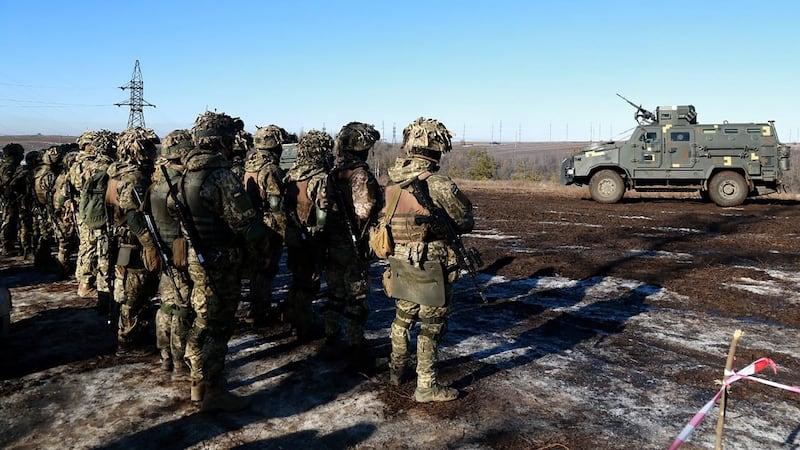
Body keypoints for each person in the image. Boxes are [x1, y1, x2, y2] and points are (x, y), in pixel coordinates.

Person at [179, 111, 274, 412]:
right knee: (219, 325)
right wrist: (265, 247)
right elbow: (246, 223)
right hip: (220, 261)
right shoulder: (219, 175)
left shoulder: (185, 172)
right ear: (221, 140)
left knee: (203, 318)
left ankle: (197, 382)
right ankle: (215, 391)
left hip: (198, 256)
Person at [381, 117, 474, 402]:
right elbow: (465, 221)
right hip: (432, 265)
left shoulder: (393, 183)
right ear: (436, 149)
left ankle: (396, 370)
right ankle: (426, 386)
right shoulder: (439, 184)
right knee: (432, 326)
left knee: (403, 316)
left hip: (400, 260)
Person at [324, 122, 382, 368]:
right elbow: (364, 210)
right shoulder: (360, 176)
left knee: (335, 292)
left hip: (333, 242)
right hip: (353, 243)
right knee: (357, 296)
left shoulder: (334, 174)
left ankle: (330, 333)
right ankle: (355, 344)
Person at [106, 127, 161, 356]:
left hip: (125, 241)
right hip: (134, 244)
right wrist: (149, 244)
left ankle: (135, 332)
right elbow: (133, 215)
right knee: (135, 292)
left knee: (138, 291)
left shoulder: (116, 175)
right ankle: (127, 341)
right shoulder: (134, 178)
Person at [150, 129, 194, 376]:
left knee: (166, 306)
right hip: (180, 253)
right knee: (182, 308)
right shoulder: (180, 186)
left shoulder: (157, 184)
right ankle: (179, 361)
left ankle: (165, 356)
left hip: (164, 250)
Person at [282, 130, 332, 342]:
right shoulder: (320, 177)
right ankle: (303, 326)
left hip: (293, 233)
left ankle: (292, 318)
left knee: (297, 278)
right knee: (309, 282)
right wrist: (323, 236)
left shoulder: (291, 174)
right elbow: (322, 212)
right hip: (311, 236)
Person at [242, 124, 290, 326]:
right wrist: (286, 231)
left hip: (251, 225)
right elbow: (276, 204)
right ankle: (259, 312)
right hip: (268, 227)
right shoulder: (271, 170)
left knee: (256, 269)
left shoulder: (249, 166)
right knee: (266, 269)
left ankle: (256, 308)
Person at [68, 130, 117, 306]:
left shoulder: (79, 165)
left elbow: (75, 185)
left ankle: (83, 281)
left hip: (85, 210)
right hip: (101, 212)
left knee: (86, 246)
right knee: (102, 250)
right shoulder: (108, 168)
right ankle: (95, 288)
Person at [0, 143, 25, 256]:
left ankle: (9, 244)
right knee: (9, 221)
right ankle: (6, 246)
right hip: (9, 198)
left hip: (12, 198)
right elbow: (8, 183)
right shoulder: (8, 167)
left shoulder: (7, 166)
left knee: (13, 221)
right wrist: (19, 175)